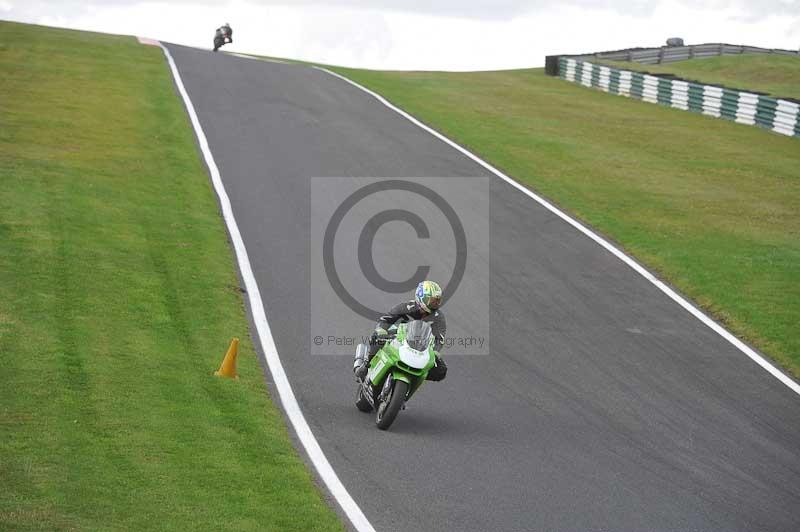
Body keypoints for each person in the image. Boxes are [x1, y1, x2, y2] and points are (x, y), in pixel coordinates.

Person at [354, 280, 448, 382]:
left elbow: (439, 338)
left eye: (438, 301)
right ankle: (366, 365)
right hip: (397, 339)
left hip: (420, 347)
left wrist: (435, 351)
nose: (436, 304)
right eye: (433, 301)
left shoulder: (439, 317)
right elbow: (386, 319)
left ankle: (413, 377)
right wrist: (382, 330)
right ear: (422, 298)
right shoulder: (407, 307)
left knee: (441, 370)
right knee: (377, 336)